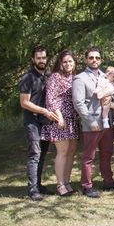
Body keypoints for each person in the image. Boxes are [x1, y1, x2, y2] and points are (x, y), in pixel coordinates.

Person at [72, 47, 114, 198]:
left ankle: (108, 181)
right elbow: (78, 103)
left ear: (100, 60)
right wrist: (89, 121)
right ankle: (87, 186)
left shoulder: (106, 75)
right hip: (92, 122)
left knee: (107, 152)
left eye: (97, 58)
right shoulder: (80, 78)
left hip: (107, 121)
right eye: (91, 58)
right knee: (89, 156)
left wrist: (111, 99)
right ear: (86, 60)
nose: (94, 60)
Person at [19, 46, 58, 201]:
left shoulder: (48, 76)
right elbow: (24, 103)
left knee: (42, 155)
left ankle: (39, 185)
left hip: (45, 121)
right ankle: (33, 189)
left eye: (44, 57)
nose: (42, 60)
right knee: (34, 154)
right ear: (33, 59)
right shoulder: (27, 78)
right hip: (32, 121)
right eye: (39, 58)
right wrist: (43, 111)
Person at [41, 50, 79, 196]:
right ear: (60, 64)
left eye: (70, 61)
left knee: (71, 151)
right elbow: (50, 99)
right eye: (65, 62)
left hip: (73, 119)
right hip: (60, 119)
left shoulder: (75, 77)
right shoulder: (55, 77)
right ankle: (60, 184)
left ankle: (67, 182)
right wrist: (59, 116)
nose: (68, 64)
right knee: (62, 151)